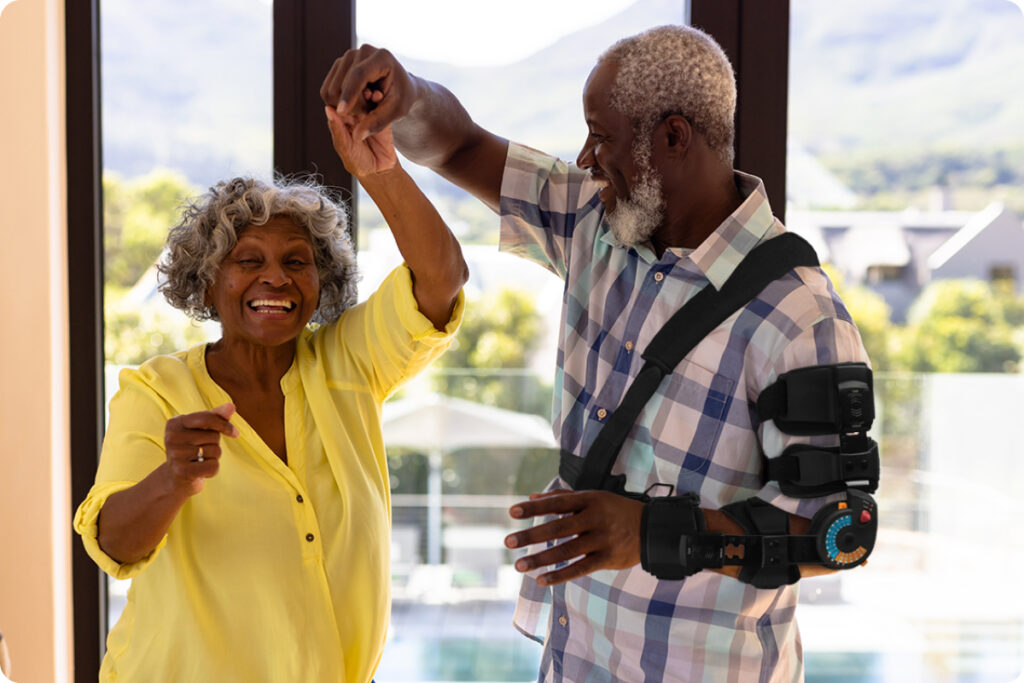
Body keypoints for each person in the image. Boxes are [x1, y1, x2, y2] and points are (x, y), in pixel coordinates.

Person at [320, 23, 873, 682]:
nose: (584, 158)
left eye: (602, 136)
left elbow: (838, 532)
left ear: (673, 137)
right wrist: (405, 97)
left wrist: (654, 531)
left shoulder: (797, 314)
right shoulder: (596, 225)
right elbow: (460, 143)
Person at [73, 106, 468, 682]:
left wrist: (380, 171)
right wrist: (173, 478)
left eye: (297, 263)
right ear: (207, 282)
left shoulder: (349, 361)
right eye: (248, 261)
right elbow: (114, 544)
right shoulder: (157, 389)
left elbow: (441, 278)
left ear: (321, 281)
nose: (276, 279)